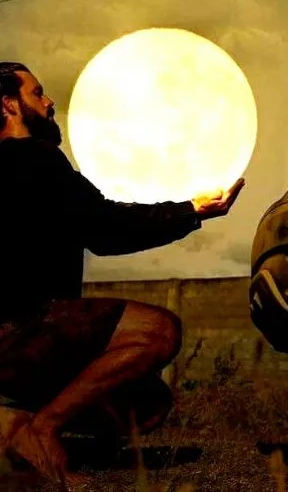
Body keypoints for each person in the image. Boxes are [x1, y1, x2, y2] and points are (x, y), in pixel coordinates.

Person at [0, 61, 245, 479]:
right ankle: (43, 428)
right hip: (20, 331)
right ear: (9, 104)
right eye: (37, 93)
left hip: (18, 340)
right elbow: (108, 228)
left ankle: (12, 423)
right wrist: (192, 211)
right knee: (158, 332)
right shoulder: (35, 158)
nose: (50, 101)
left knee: (145, 402)